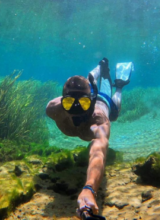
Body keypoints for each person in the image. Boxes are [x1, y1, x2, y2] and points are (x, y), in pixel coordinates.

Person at [45, 58, 132, 218]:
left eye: (84, 103)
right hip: (90, 94)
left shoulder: (98, 120)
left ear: (91, 102)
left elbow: (99, 150)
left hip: (104, 102)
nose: (76, 109)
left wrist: (90, 188)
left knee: (115, 113)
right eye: (70, 102)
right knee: (90, 81)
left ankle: (118, 87)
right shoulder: (54, 109)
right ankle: (99, 69)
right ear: (63, 101)